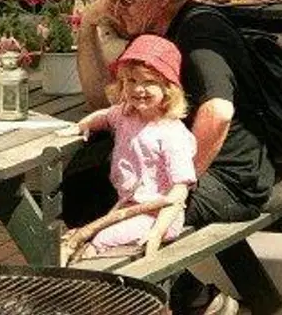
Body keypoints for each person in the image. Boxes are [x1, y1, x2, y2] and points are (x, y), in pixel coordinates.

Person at [76, 0, 274, 229]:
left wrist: (176, 190)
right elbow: (103, 101)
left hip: (229, 181)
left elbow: (218, 113)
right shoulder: (149, 32)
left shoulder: (201, 33)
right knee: (82, 178)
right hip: (176, 166)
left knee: (97, 199)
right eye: (113, 0)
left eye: (126, 0)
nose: (116, 10)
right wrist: (87, 26)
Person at [63, 34, 197, 261]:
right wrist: (83, 125)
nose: (138, 89)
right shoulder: (126, 116)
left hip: (159, 216)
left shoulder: (172, 134)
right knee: (78, 232)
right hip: (126, 207)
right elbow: (105, 117)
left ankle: (89, 273)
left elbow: (179, 191)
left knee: (101, 240)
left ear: (168, 88)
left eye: (148, 82)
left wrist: (157, 232)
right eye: (131, 81)